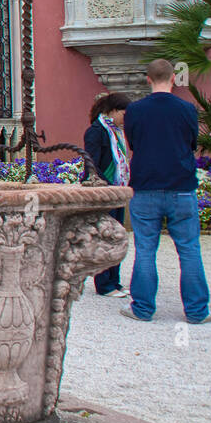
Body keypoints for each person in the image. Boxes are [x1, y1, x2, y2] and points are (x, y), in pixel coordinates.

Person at [120, 59, 211, 324]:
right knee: (189, 250)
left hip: (146, 186)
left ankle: (142, 308)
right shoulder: (186, 109)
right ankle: (197, 312)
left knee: (146, 248)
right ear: (174, 78)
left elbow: (133, 142)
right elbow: (193, 142)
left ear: (148, 79)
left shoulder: (135, 111)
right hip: (181, 187)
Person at [83, 92, 130, 297]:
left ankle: (115, 280)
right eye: (123, 113)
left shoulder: (116, 132)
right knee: (104, 238)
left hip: (117, 190)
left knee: (117, 237)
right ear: (112, 111)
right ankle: (104, 284)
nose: (125, 119)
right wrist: (105, 185)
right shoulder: (96, 131)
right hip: (104, 190)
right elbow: (92, 163)